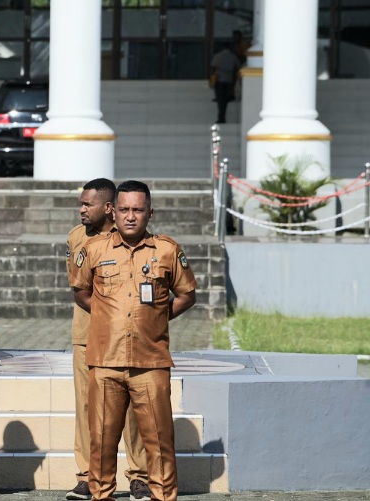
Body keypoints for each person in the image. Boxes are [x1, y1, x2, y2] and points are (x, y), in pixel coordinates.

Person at [72, 180, 197, 501]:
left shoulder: (167, 249)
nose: (131, 217)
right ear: (113, 212)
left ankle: (163, 496)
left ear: (149, 213)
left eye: (138, 210)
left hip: (150, 361)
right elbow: (81, 291)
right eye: (124, 209)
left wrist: (156, 318)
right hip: (105, 361)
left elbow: (186, 294)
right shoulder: (95, 249)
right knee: (101, 441)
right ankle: (102, 496)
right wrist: (106, 318)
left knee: (159, 441)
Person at [65, 179, 152, 501]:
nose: (82, 209)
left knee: (132, 410)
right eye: (81, 203)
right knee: (88, 409)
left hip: (128, 340)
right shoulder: (76, 237)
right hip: (86, 337)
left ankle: (140, 477)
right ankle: (88, 477)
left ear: (108, 208)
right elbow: (78, 287)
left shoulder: (130, 238)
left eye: (88, 204)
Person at [211, 43, 241, 124]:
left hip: (219, 79)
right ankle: (222, 116)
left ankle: (221, 117)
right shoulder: (233, 56)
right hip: (229, 80)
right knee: (225, 99)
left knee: (220, 100)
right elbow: (238, 66)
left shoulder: (217, 55)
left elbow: (213, 67)